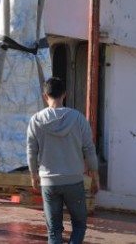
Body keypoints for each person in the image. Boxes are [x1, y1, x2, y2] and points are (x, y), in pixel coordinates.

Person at [27, 77, 99, 244]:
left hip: (49, 182)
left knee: (54, 230)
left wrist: (33, 175)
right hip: (74, 180)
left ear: (45, 96)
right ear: (64, 95)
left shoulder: (36, 120)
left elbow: (31, 151)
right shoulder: (79, 119)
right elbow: (89, 149)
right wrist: (95, 177)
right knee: (80, 225)